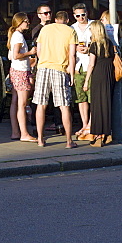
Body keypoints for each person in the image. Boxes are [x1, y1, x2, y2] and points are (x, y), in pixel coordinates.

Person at [33, 9, 77, 148]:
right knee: (64, 106)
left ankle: (40, 139)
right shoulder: (70, 31)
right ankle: (69, 141)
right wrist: (72, 73)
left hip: (43, 68)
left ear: (55, 19)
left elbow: (38, 51)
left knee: (41, 105)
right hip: (60, 69)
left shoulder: (45, 29)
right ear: (67, 20)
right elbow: (72, 55)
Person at [82, 19, 116, 147]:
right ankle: (107, 133)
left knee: (96, 106)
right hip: (109, 75)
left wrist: (86, 81)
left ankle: (97, 135)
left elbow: (91, 65)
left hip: (98, 75)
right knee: (106, 104)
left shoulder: (94, 45)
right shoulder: (109, 43)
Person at [6, 13, 37, 142]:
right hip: (21, 71)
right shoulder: (18, 36)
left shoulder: (15, 35)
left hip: (16, 70)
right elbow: (16, 55)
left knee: (15, 101)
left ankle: (15, 132)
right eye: (26, 21)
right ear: (19, 22)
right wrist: (30, 53)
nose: (28, 24)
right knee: (22, 103)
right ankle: (24, 133)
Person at [71, 4, 92, 140]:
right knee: (81, 98)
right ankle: (84, 124)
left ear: (87, 13)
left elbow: (100, 41)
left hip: (91, 64)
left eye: (83, 14)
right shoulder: (72, 28)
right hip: (78, 66)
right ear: (74, 16)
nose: (81, 18)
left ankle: (91, 124)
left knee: (92, 97)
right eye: (78, 15)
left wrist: (89, 48)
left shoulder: (94, 25)